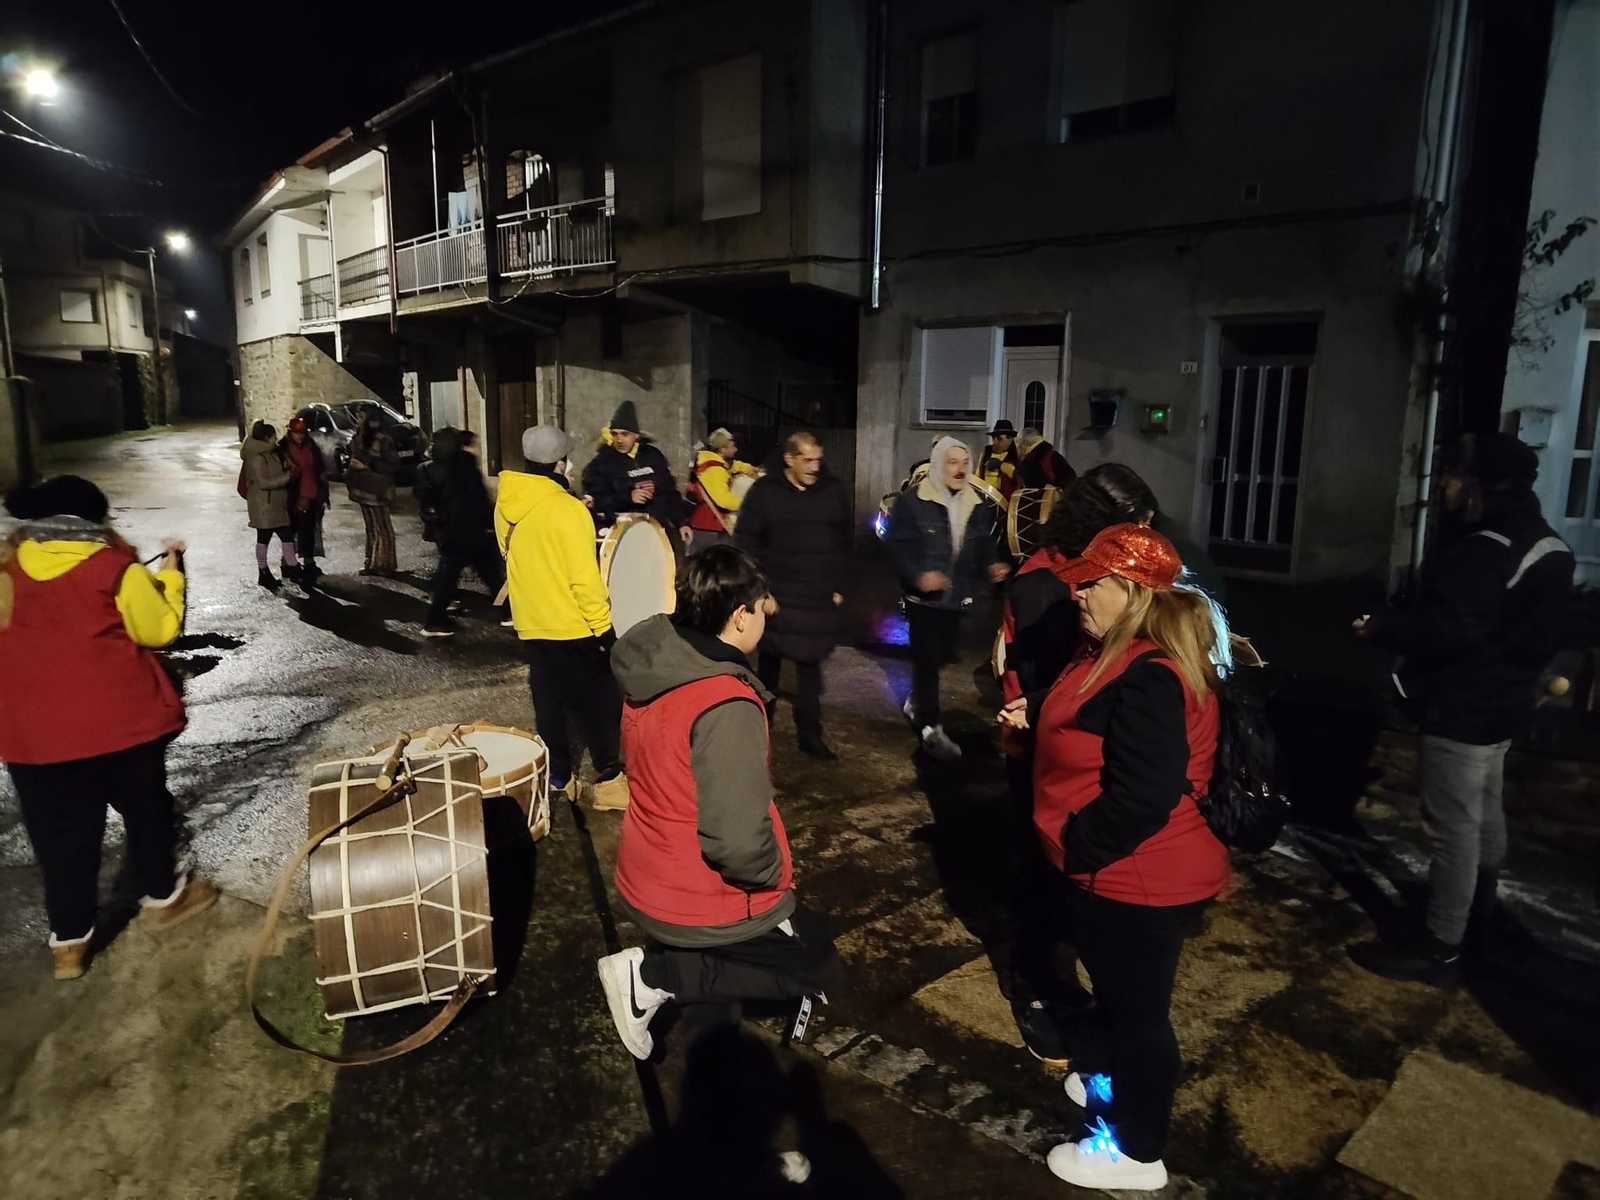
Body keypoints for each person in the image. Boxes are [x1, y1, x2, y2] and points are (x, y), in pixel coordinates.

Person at [998, 522, 1229, 1191]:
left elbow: (1143, 796)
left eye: (1092, 584)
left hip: (1138, 877)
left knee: (1140, 1019)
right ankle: (1101, 1071)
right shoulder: (1120, 651)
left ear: (1132, 591)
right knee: (1121, 995)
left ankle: (1136, 1150)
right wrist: (1038, 709)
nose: (1078, 595)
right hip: (1124, 872)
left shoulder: (1151, 674)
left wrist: (1080, 847)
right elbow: (1094, 714)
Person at [596, 545, 840, 1062]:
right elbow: (735, 841)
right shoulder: (725, 702)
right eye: (762, 604)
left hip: (646, 869)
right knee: (815, 965)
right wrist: (772, 875)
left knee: (716, 1015)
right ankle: (650, 976)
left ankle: (714, 1092)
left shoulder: (660, 661)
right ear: (740, 616)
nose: (768, 615)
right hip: (698, 893)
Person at [1350, 432, 1573, 987]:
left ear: (1479, 486)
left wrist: (1382, 628)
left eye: (1452, 474)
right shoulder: (1547, 544)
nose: (1444, 484)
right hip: (1505, 705)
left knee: (1453, 831)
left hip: (1463, 709)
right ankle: (1480, 917)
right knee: (1485, 812)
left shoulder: (1483, 551)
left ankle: (1441, 947)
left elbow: (1451, 632)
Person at [0, 476, 219, 981]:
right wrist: (170, 572)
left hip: (35, 738)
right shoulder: (114, 565)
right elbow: (159, 630)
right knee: (147, 813)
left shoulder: (8, 571)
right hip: (120, 726)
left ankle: (70, 945)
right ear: (95, 519)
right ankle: (165, 899)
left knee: (60, 842)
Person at [996, 464, 1161, 1062]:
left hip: (1075, 751)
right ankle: (1032, 987)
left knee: (1063, 879)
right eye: (1137, 525)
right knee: (1041, 875)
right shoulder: (1048, 586)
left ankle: (1052, 969)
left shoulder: (1084, 573)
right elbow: (1051, 686)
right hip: (1044, 752)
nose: (1146, 538)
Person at [497, 425, 629, 810]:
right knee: (600, 703)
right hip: (573, 625)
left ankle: (560, 779)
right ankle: (609, 782)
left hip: (531, 623)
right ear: (560, 463)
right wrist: (605, 630)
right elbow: (584, 580)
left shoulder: (507, 503)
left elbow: (512, 554)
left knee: (550, 703)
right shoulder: (569, 511)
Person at [886, 436, 1011, 762]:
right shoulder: (913, 501)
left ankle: (918, 699)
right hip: (923, 601)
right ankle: (930, 729)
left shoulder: (975, 504)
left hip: (954, 598)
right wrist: (918, 575)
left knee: (942, 655)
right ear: (939, 464)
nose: (960, 469)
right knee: (928, 660)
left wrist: (992, 564)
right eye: (953, 462)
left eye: (965, 462)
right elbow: (896, 546)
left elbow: (983, 544)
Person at [736, 431, 851, 762]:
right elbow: (746, 542)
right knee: (768, 669)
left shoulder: (832, 492)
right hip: (776, 596)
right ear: (789, 459)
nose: (815, 467)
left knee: (811, 669)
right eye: (807, 460)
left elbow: (843, 542)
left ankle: (811, 736)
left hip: (816, 596)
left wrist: (841, 586)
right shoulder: (765, 492)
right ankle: (761, 734)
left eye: (818, 460)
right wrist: (759, 592)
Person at [416, 429, 506, 638]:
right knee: (486, 574)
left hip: (453, 530)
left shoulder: (440, 467)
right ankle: (434, 622)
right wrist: (488, 522)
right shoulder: (465, 466)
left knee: (468, 574)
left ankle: (508, 611)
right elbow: (475, 498)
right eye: (474, 443)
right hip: (469, 530)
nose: (478, 447)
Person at [581, 400, 692, 548]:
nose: (619, 439)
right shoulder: (602, 463)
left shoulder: (652, 456)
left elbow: (669, 493)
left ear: (636, 435)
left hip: (656, 531)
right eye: (615, 434)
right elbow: (595, 501)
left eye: (624, 434)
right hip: (622, 535)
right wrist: (628, 498)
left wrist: (682, 523)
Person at [240, 420, 302, 590]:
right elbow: (263, 482)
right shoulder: (256, 457)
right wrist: (287, 477)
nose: (276, 439)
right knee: (270, 537)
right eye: (274, 436)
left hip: (274, 504)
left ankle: (283, 569)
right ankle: (279, 569)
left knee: (281, 536)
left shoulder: (271, 453)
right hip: (264, 505)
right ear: (267, 438)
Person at [687, 427, 761, 554]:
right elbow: (723, 500)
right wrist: (750, 502)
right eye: (732, 446)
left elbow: (732, 466)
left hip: (710, 527)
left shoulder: (716, 463)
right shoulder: (714, 470)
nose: (735, 449)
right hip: (709, 529)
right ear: (723, 449)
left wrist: (748, 469)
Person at [347, 409, 400, 576]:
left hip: (378, 489)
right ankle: (370, 563)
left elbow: (391, 466)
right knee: (370, 527)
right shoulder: (358, 438)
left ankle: (386, 564)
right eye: (358, 417)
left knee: (383, 527)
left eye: (361, 417)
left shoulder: (383, 439)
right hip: (362, 489)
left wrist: (366, 466)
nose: (358, 420)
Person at [282, 416, 329, 582]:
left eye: (302, 433)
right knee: (291, 531)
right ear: (290, 433)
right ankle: (288, 563)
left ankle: (309, 563)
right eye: (297, 433)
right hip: (293, 496)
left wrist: (323, 493)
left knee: (309, 531)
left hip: (312, 494)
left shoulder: (311, 446)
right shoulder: (283, 448)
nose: (300, 436)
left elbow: (320, 469)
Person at [981, 419, 1022, 502]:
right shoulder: (986, 452)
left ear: (1010, 439)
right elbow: (978, 474)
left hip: (1005, 501)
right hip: (985, 497)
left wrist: (1001, 465)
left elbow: (1019, 477)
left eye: (999, 439)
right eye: (993, 438)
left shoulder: (1016, 455)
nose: (995, 442)